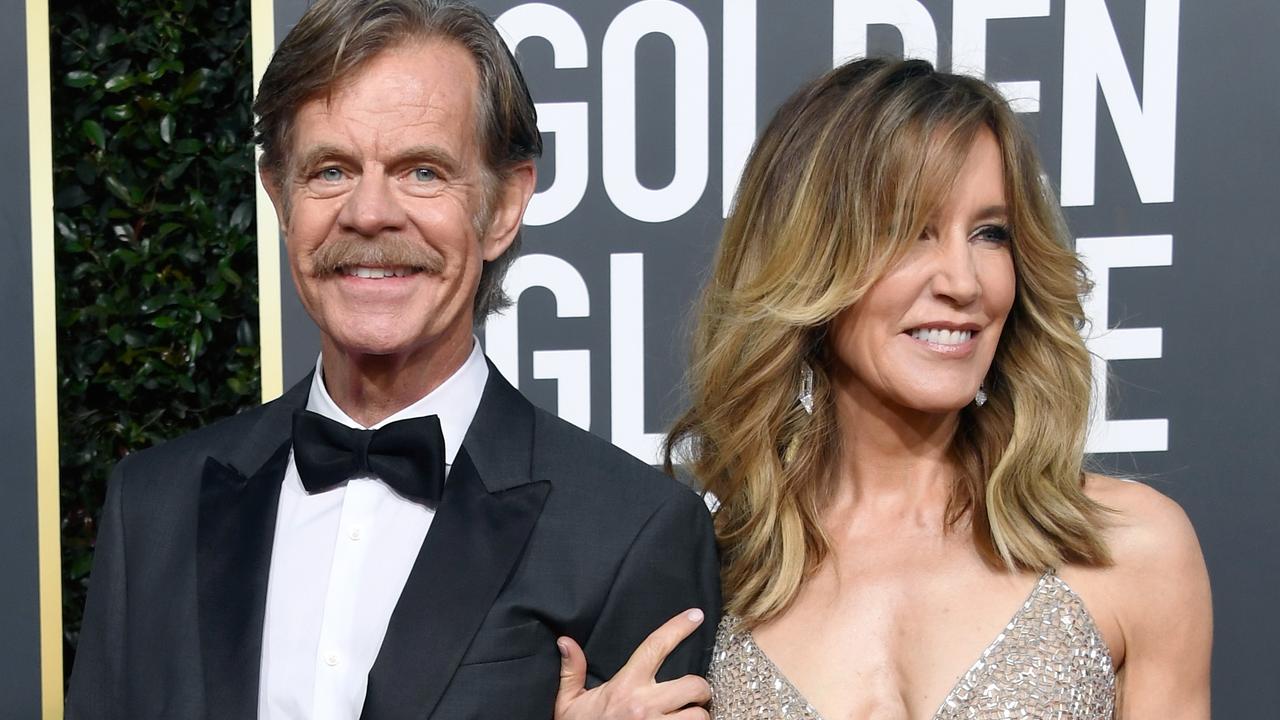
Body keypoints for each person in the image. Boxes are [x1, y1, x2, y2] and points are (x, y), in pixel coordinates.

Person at [64, 1, 720, 717]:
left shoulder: (631, 532)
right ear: (280, 197)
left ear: (503, 206)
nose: (369, 212)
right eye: (332, 171)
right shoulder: (153, 508)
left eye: (423, 172)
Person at [557, 57, 1212, 719]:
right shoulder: (706, 575)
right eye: (909, 231)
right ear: (809, 258)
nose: (963, 281)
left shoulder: (1130, 550)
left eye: (989, 233)